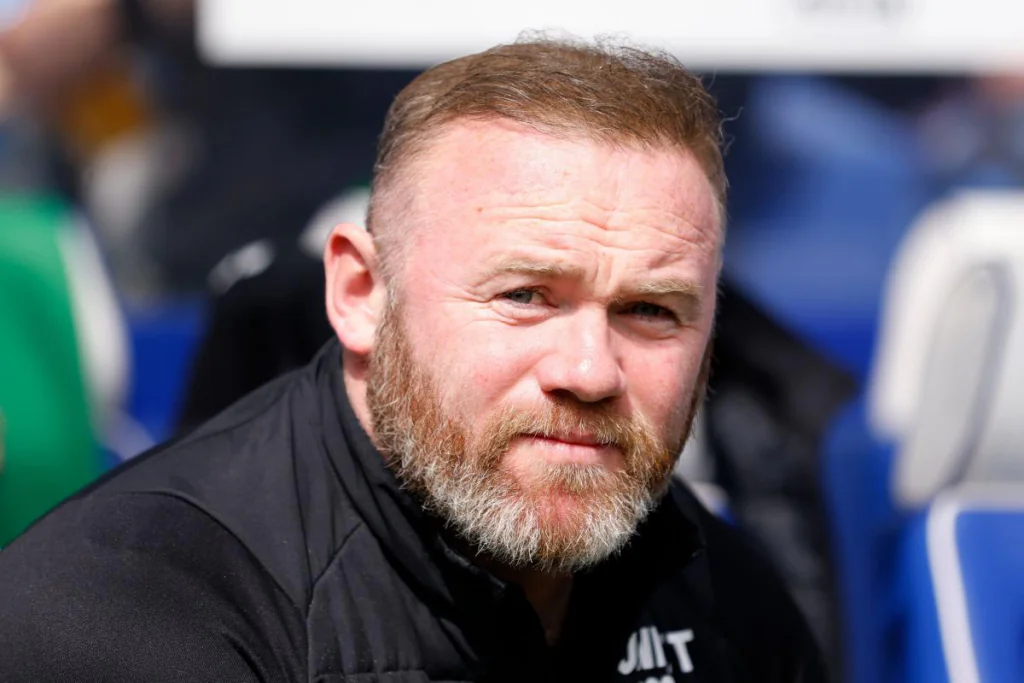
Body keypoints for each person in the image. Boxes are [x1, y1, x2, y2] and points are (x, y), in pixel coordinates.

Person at [0, 38, 827, 682]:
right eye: (526, 295)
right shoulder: (132, 613)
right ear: (361, 292)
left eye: (651, 311)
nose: (589, 369)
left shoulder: (723, 599)